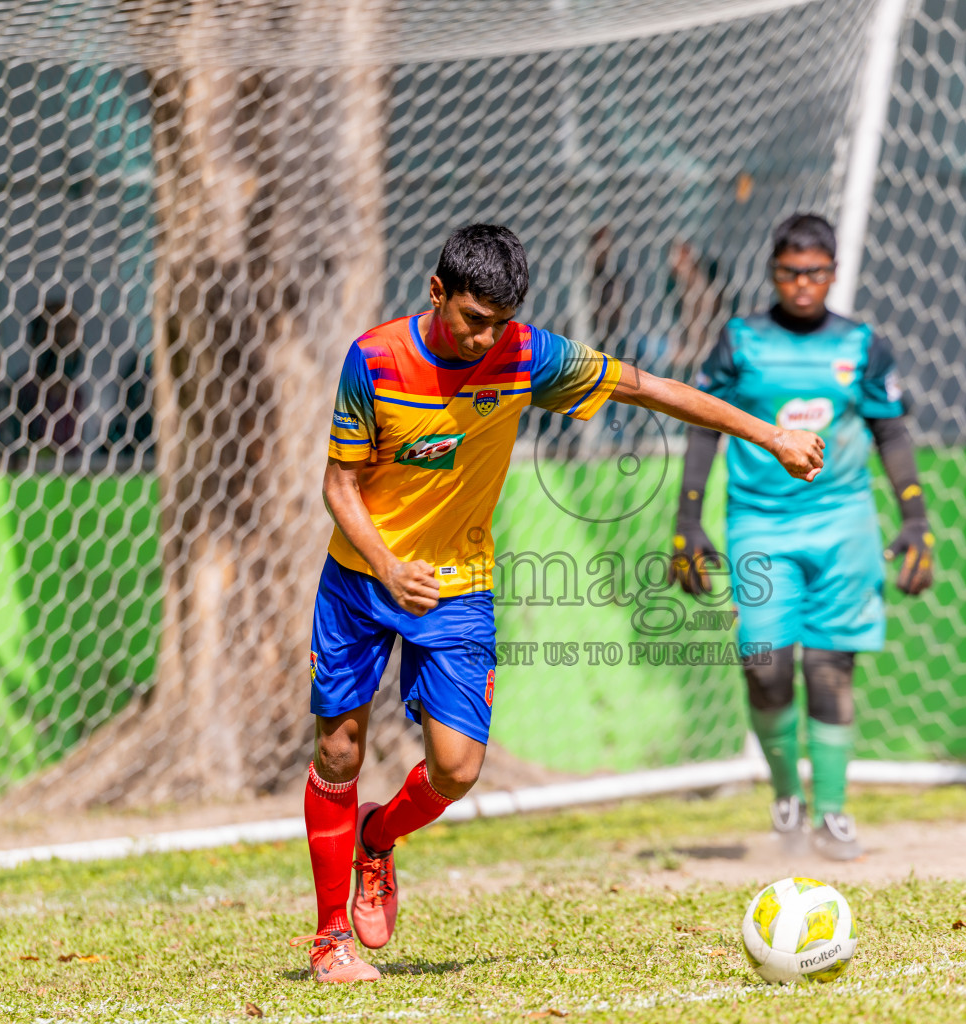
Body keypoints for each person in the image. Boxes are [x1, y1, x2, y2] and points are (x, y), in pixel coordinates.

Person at [293, 223, 826, 983]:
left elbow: (648, 388)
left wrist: (768, 436)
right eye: (473, 319)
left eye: (500, 322)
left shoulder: (526, 354)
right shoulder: (374, 359)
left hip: (458, 584)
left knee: (456, 770)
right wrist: (385, 565)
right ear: (437, 292)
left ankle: (376, 839)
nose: (485, 338)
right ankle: (329, 939)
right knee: (339, 751)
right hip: (359, 579)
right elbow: (338, 485)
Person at [667, 212, 934, 861]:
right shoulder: (741, 341)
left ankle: (833, 813)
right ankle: (788, 797)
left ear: (833, 273)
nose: (803, 284)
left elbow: (890, 430)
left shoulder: (862, 345)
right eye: (790, 272)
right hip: (759, 522)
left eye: (815, 272)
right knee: (765, 664)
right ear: (773, 273)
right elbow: (703, 425)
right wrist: (688, 519)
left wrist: (915, 517)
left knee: (830, 667)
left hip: (843, 523)